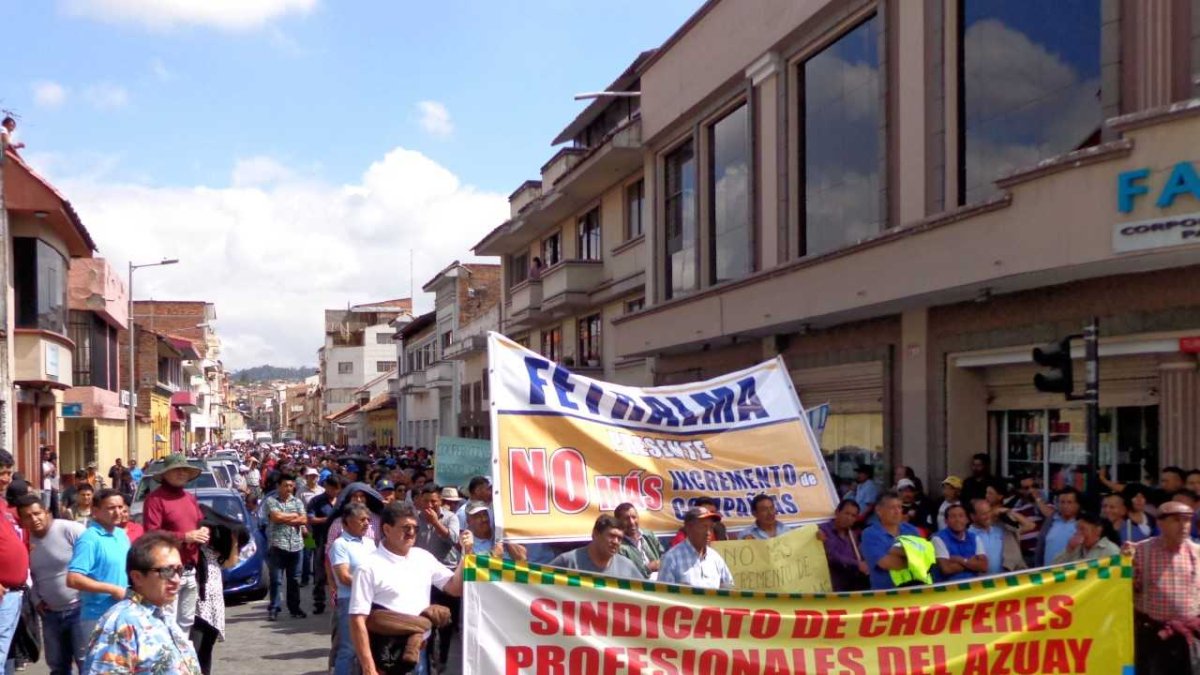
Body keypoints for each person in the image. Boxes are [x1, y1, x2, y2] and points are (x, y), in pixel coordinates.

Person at [349, 503, 473, 675]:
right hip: (386, 655)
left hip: (422, 653)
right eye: (406, 528)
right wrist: (369, 667)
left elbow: (455, 588)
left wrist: (466, 555)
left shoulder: (423, 557)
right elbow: (357, 620)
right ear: (386, 529)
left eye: (415, 527)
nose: (412, 533)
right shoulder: (368, 567)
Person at [81, 532, 203, 675]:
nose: (176, 579)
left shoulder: (161, 615)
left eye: (179, 570)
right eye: (167, 571)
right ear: (137, 577)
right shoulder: (121, 624)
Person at [16, 494, 87, 675]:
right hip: (50, 615)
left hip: (80, 610)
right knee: (57, 667)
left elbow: (93, 560)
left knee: (87, 663)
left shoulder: (71, 530)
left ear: (46, 512)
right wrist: (36, 599)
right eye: (27, 516)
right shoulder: (25, 542)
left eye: (37, 513)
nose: (34, 519)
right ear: (22, 520)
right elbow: (28, 575)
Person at [1127, 501, 1200, 675]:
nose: (1183, 526)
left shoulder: (1197, 552)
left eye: (1187, 520)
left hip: (1189, 637)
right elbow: (1125, 590)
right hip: (1154, 637)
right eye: (1176, 520)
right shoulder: (1140, 552)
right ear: (1160, 522)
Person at [142, 454, 207, 635]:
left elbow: (199, 523)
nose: (181, 473)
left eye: (184, 470)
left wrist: (203, 531)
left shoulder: (189, 498)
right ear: (165, 475)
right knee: (167, 621)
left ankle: (182, 661)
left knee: (186, 622)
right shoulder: (155, 499)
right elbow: (151, 533)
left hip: (190, 568)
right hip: (168, 569)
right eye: (176, 470)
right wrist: (184, 537)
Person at [66, 488, 132, 639]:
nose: (117, 512)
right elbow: (73, 579)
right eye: (110, 508)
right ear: (95, 511)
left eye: (120, 507)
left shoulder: (121, 534)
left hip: (124, 612)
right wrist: (113, 590)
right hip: (98, 617)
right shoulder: (89, 539)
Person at [192, 505, 243, 675]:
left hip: (214, 607)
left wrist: (234, 541)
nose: (205, 534)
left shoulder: (213, 550)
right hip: (196, 608)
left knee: (207, 650)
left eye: (208, 530)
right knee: (194, 650)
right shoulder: (191, 551)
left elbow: (229, 563)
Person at [330, 503, 377, 675]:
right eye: (362, 519)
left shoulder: (371, 543)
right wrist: (369, 586)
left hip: (371, 601)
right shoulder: (340, 544)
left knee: (368, 649)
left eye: (368, 520)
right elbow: (343, 577)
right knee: (349, 649)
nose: (366, 523)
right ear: (347, 522)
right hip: (349, 601)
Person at [0, 450, 30, 675]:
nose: (6, 479)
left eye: (9, 473)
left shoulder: (3, 504)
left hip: (13, 594)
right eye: (2, 473)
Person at [861, 491, 926, 590]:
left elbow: (924, 559)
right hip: (886, 596)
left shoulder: (911, 530)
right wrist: (910, 557)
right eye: (892, 507)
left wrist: (895, 554)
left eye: (899, 507)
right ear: (879, 510)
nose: (897, 511)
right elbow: (885, 563)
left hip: (916, 591)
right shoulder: (870, 534)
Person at [265, 473, 307, 621]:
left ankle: (294, 608)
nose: (289, 488)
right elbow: (276, 517)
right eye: (285, 486)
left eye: (291, 486)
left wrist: (287, 518)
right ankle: (274, 608)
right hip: (277, 545)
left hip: (296, 546)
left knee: (294, 580)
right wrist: (293, 516)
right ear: (278, 486)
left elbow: (304, 519)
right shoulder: (271, 501)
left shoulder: (297, 501)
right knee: (276, 580)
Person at [550, 515, 646, 580]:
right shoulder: (568, 562)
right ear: (595, 534)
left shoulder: (627, 567)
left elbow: (646, 594)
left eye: (620, 538)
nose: (616, 542)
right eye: (611, 536)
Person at [658, 508, 732, 589]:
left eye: (711, 527)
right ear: (688, 528)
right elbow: (664, 596)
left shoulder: (715, 558)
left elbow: (729, 588)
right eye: (703, 527)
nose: (708, 533)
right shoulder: (672, 559)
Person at [307, 475, 343, 615]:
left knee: (340, 572)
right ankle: (319, 602)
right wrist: (328, 520)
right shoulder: (316, 501)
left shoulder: (341, 501)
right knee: (320, 573)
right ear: (326, 486)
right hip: (321, 540)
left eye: (336, 489)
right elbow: (310, 519)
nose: (334, 491)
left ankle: (339, 601)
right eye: (331, 488)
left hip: (339, 541)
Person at [816, 499, 870, 592]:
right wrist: (857, 564)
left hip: (852, 587)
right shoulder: (822, 530)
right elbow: (830, 555)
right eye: (846, 513)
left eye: (853, 516)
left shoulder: (853, 535)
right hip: (831, 587)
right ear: (837, 512)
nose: (849, 518)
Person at [968, 498, 1032, 574]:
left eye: (989, 512)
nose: (988, 516)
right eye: (983, 514)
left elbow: (1029, 525)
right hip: (983, 582)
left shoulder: (1000, 529)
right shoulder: (968, 535)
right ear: (973, 516)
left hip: (1006, 580)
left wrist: (1009, 511)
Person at [932, 503, 988, 582]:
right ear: (946, 521)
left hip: (973, 587)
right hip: (949, 589)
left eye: (961, 516)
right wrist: (972, 563)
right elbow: (946, 569)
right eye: (953, 517)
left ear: (967, 520)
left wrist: (961, 560)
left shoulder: (974, 538)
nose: (957, 520)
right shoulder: (938, 539)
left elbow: (983, 566)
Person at [462, 501, 526, 561]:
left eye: (485, 514)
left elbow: (522, 558)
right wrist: (493, 556)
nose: (484, 519)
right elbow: (471, 567)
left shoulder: (501, 532)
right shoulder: (469, 542)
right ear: (468, 521)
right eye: (478, 516)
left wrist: (505, 536)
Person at [1006, 474, 1047, 565]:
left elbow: (1049, 515)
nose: (1031, 490)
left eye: (1034, 486)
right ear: (1019, 490)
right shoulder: (1014, 507)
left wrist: (1037, 499)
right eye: (1026, 488)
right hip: (1024, 556)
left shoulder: (1044, 502)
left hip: (1041, 553)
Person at [614, 503, 663, 578]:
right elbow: (624, 574)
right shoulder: (618, 545)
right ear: (618, 521)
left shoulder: (648, 535)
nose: (632, 522)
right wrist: (648, 568)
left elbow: (664, 556)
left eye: (634, 517)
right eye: (626, 519)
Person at [1037, 487, 1082, 566]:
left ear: (1077, 505)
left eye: (1069, 502)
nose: (1065, 506)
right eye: (1062, 502)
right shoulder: (1050, 522)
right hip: (1048, 574)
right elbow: (1040, 548)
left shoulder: (1082, 524)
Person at [1053, 512, 1119, 564]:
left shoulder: (1111, 550)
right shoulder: (1075, 548)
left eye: (1082, 529)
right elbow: (1055, 568)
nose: (1078, 533)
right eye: (1077, 529)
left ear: (1098, 530)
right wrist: (1069, 550)